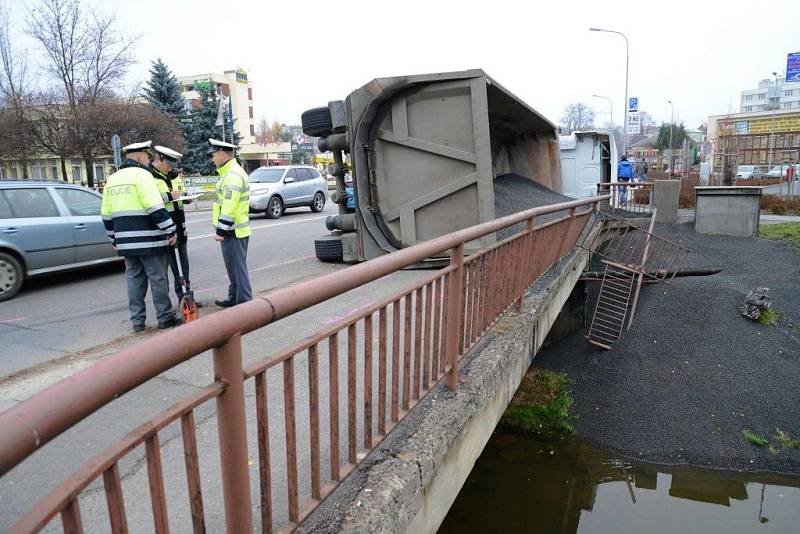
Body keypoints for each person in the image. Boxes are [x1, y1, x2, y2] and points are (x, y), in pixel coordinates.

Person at [101, 141, 180, 331]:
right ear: (138, 157)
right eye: (146, 156)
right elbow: (154, 207)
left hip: (126, 243)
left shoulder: (112, 179)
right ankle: (164, 317)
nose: (149, 160)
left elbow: (106, 214)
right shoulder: (143, 176)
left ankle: (137, 322)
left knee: (134, 280)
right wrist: (171, 230)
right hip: (149, 239)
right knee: (158, 278)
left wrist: (114, 239)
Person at [151, 145, 198, 304]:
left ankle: (186, 299)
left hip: (179, 226)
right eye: (168, 165)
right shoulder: (150, 177)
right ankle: (166, 307)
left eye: (172, 165)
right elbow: (151, 200)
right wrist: (169, 196)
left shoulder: (174, 175)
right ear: (159, 159)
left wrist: (187, 197)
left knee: (183, 267)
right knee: (162, 271)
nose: (170, 168)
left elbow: (182, 192)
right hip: (162, 230)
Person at [209, 138, 253, 307]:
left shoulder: (232, 175)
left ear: (221, 154)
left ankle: (244, 303)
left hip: (232, 230)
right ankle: (234, 297)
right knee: (234, 268)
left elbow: (229, 205)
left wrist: (221, 231)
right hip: (233, 229)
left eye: (214, 155)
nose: (212, 159)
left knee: (238, 269)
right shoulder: (230, 172)